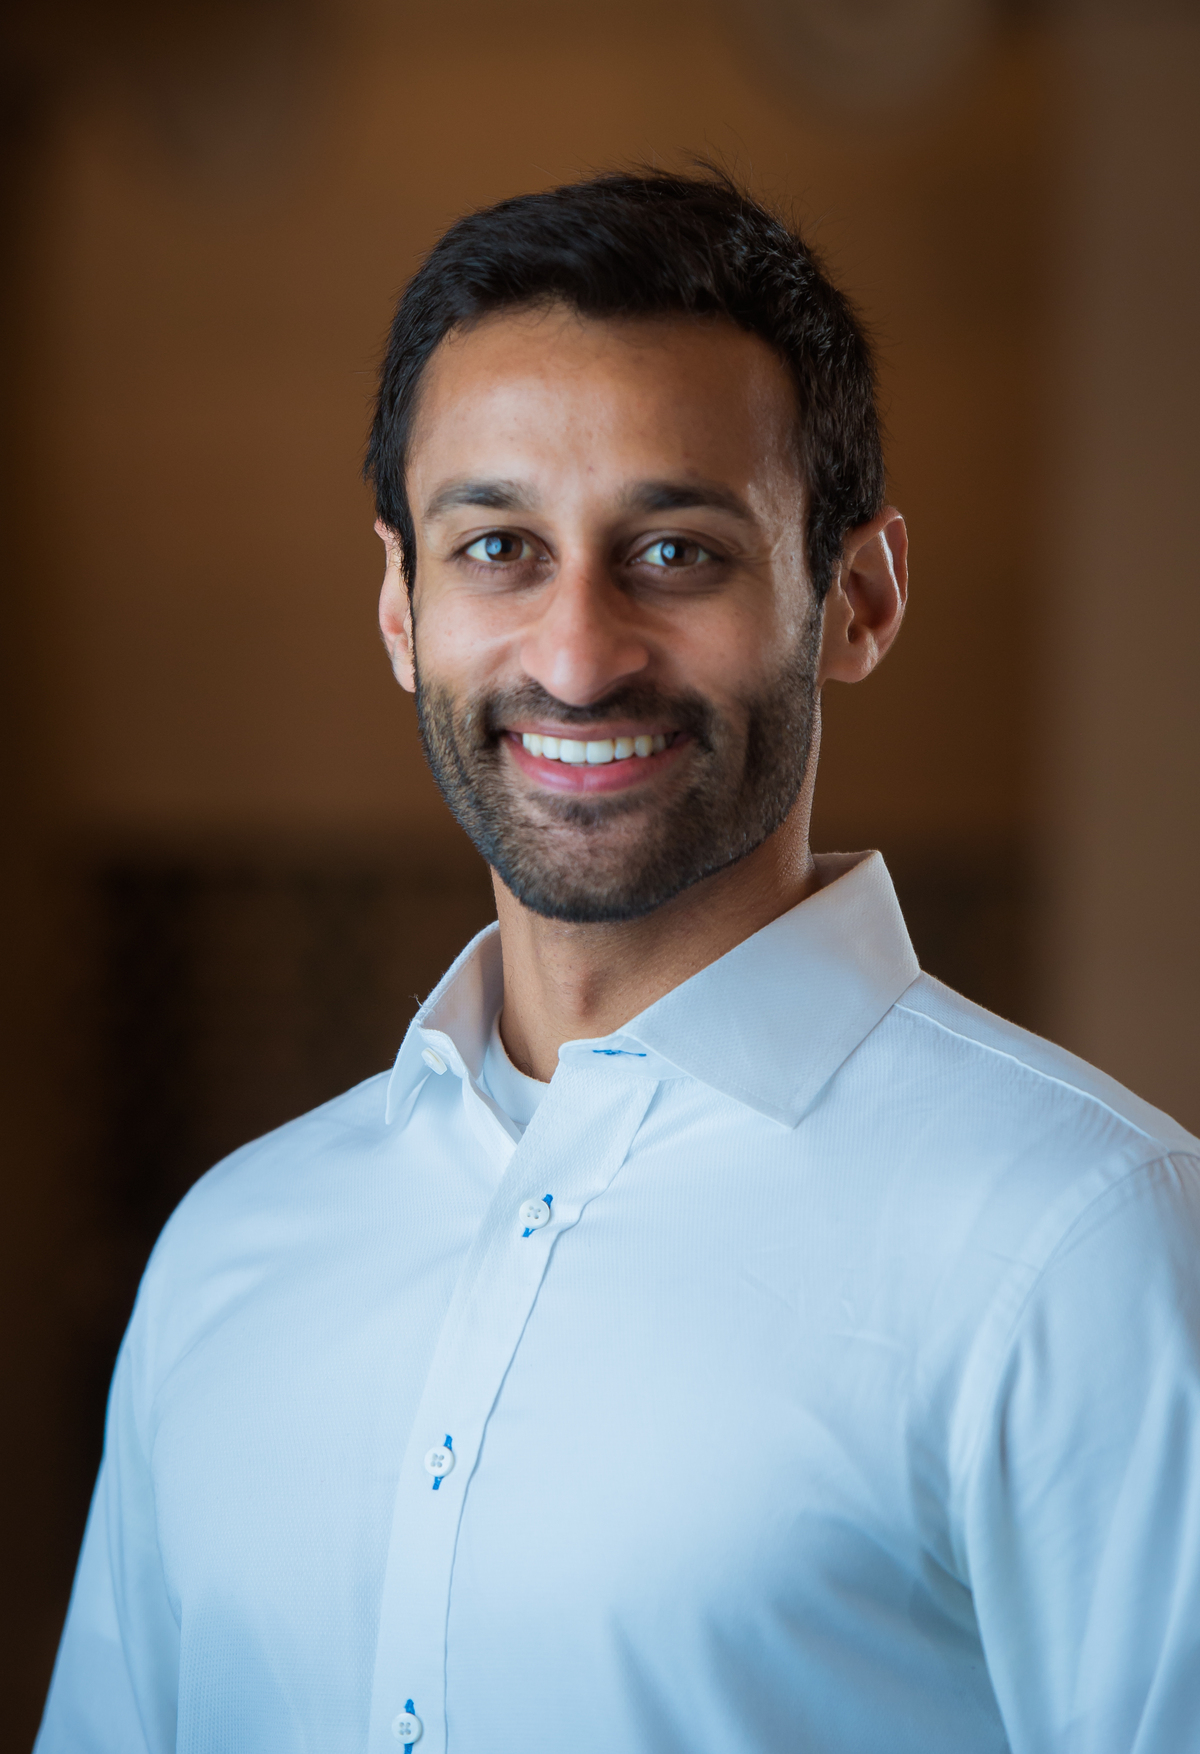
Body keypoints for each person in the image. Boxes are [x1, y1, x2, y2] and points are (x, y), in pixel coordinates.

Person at [37, 169, 1200, 1754]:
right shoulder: (230, 1255)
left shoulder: (1083, 1249)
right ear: (400, 604)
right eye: (500, 546)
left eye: (674, 553)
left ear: (853, 595)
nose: (576, 656)